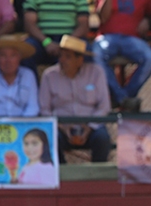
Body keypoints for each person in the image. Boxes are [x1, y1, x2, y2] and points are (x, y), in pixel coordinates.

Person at [39, 35, 111, 164]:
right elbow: (44, 108)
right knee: (51, 137)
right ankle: (62, 176)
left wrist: (89, 127)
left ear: (80, 60)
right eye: (60, 56)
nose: (62, 60)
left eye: (68, 57)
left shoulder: (96, 72)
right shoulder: (49, 76)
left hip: (91, 126)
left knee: (102, 138)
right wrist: (62, 127)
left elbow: (104, 105)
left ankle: (98, 176)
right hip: (60, 127)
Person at [92, 0, 151, 112]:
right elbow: (102, 18)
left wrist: (148, 21)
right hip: (107, 36)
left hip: (133, 39)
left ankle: (123, 97)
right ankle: (123, 98)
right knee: (96, 54)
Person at [21, 0, 90, 78]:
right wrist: (46, 42)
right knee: (25, 51)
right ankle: (32, 87)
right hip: (41, 39)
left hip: (71, 38)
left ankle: (83, 87)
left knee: (85, 51)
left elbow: (84, 25)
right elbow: (29, 24)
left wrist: (66, 43)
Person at [0, 34, 39, 117]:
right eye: (3, 55)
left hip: (22, 126)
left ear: (19, 57)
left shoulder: (28, 75)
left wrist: (20, 126)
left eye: (13, 55)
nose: (8, 61)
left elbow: (33, 107)